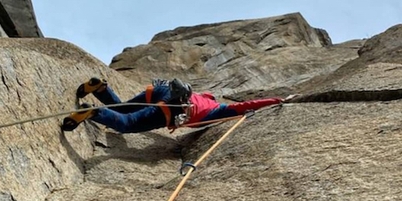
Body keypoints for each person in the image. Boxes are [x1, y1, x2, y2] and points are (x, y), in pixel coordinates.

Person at [61, 77, 288, 134]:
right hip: (175, 107)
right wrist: (277, 100)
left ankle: (100, 87)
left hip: (164, 89)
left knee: (122, 109)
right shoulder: (217, 109)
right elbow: (246, 105)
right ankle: (93, 112)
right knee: (126, 123)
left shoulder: (200, 96)